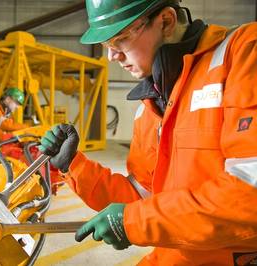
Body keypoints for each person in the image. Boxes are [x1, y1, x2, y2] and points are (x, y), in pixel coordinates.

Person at [39, 0, 257, 265]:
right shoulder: (151, 103)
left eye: (120, 39)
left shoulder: (243, 53)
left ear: (165, 21)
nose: (112, 56)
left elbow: (249, 195)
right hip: (172, 257)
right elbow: (141, 195)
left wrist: (134, 222)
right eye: (107, 45)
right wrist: (74, 165)